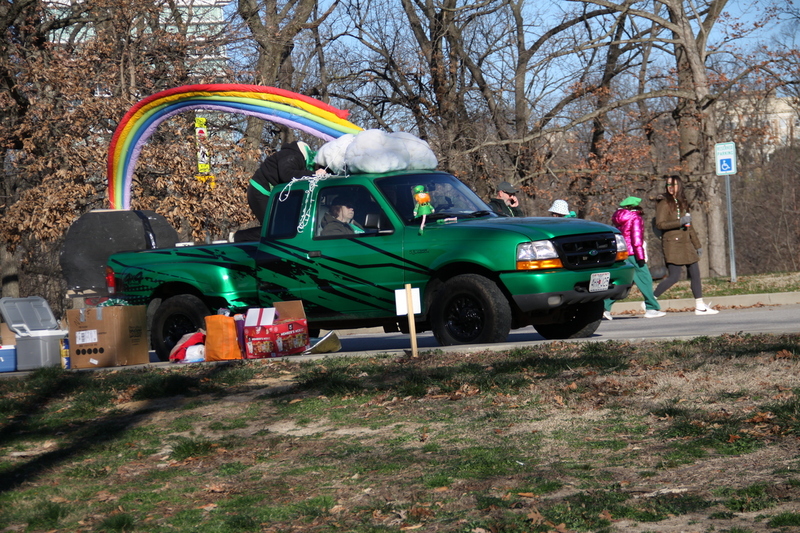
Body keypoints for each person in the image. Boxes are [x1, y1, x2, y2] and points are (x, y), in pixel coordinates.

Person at [653, 175, 718, 315]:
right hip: (673, 245)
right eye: (668, 185)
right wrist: (679, 222)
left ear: (680, 186)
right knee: (674, 277)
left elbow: (689, 226)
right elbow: (660, 224)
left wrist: (697, 245)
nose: (671, 187)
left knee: (695, 273)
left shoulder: (682, 202)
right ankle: (650, 301)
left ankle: (700, 305)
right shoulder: (664, 203)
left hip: (686, 244)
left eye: (674, 184)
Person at [603, 196, 666, 320]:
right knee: (645, 278)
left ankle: (604, 308)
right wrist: (640, 256)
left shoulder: (617, 217)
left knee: (624, 281)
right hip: (633, 254)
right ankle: (651, 308)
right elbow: (636, 239)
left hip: (621, 253)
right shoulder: (635, 217)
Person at [247, 141, 324, 223]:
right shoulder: (294, 155)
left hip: (270, 193)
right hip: (260, 190)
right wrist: (314, 174)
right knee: (271, 228)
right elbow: (286, 174)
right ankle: (239, 236)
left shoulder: (298, 158)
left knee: (281, 226)